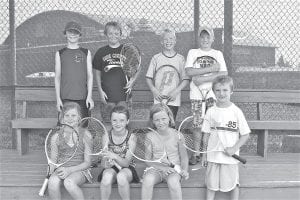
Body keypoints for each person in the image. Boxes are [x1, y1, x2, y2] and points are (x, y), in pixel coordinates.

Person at [202, 75, 250, 200]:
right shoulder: (210, 111)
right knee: (211, 186)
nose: (221, 93)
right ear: (213, 92)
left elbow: (245, 135)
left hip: (230, 159)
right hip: (213, 157)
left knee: (233, 185)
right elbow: (206, 134)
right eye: (218, 90)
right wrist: (204, 154)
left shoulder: (236, 111)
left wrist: (234, 148)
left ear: (231, 91)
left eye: (225, 90)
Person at [184, 26, 228, 165]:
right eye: (202, 37)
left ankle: (207, 154)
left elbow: (223, 73)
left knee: (210, 126)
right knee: (197, 125)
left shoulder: (217, 53)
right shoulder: (193, 52)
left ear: (213, 39)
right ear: (199, 38)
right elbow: (189, 72)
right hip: (197, 96)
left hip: (211, 96)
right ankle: (196, 153)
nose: (205, 40)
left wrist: (202, 79)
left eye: (208, 37)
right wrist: (211, 69)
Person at [141, 103, 189, 200]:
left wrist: (184, 170)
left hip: (174, 169)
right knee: (147, 180)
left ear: (170, 118)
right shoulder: (150, 136)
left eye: (163, 119)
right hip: (156, 169)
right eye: (157, 120)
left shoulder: (178, 135)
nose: (160, 122)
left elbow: (184, 157)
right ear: (153, 122)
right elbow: (147, 160)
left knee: (173, 182)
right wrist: (162, 169)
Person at [93, 21, 139, 121]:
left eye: (116, 33)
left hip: (124, 95)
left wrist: (132, 81)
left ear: (120, 34)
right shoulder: (101, 52)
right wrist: (100, 90)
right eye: (110, 33)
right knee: (108, 122)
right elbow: (97, 73)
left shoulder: (127, 50)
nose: (113, 36)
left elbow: (138, 68)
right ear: (106, 34)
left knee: (123, 122)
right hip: (107, 95)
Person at [48, 102, 93, 200]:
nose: (70, 118)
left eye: (73, 115)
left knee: (69, 182)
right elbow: (53, 160)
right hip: (62, 168)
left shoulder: (86, 135)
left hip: (81, 170)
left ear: (79, 118)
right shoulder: (56, 137)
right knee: (52, 182)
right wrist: (50, 169)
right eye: (67, 115)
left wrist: (69, 170)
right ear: (62, 118)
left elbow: (87, 163)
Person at [146, 28, 189, 120]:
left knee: (171, 123)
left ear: (175, 41)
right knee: (159, 123)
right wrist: (154, 90)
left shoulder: (180, 59)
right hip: (159, 99)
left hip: (173, 99)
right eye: (165, 39)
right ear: (161, 41)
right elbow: (148, 78)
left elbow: (186, 79)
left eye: (171, 39)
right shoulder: (156, 58)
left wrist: (176, 91)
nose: (168, 41)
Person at [98, 105, 139, 200]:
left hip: (127, 168)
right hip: (112, 168)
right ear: (110, 121)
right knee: (106, 178)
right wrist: (107, 163)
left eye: (122, 120)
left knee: (121, 177)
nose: (117, 123)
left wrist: (114, 156)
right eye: (114, 120)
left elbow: (126, 163)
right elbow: (103, 164)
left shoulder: (131, 137)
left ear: (127, 121)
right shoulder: (106, 136)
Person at [55, 21, 94, 118]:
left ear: (80, 35)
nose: (72, 34)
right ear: (65, 34)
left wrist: (89, 97)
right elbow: (57, 78)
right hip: (65, 98)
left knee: (83, 127)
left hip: (82, 98)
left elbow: (90, 76)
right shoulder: (60, 53)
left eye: (75, 32)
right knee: (65, 127)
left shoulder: (86, 52)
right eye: (70, 32)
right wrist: (58, 99)